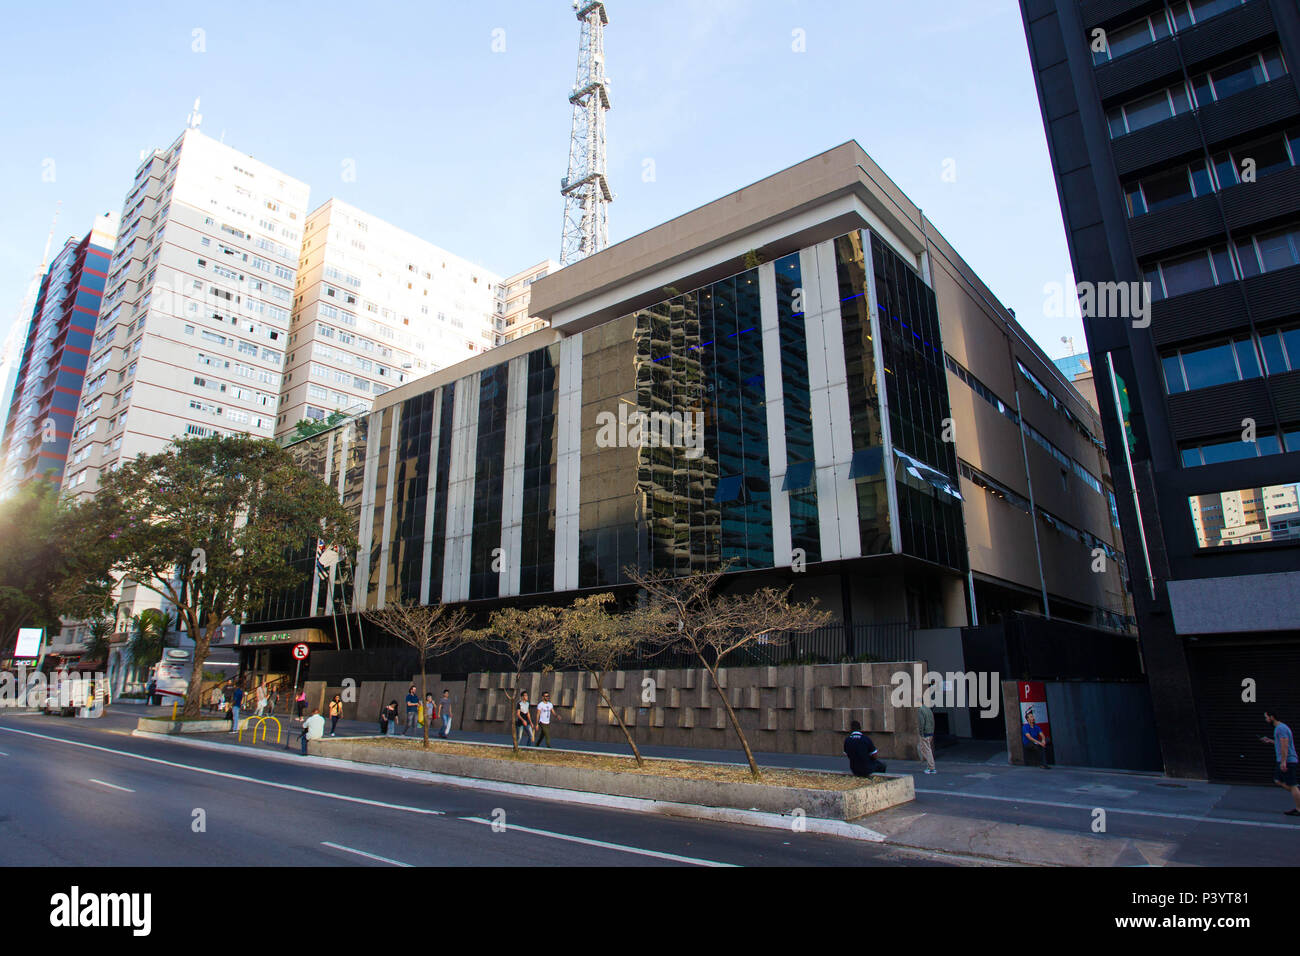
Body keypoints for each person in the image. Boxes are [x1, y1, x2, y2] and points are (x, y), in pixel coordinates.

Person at [1261, 707, 1300, 816]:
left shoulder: (1280, 728)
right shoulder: (1280, 728)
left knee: (1292, 784)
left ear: (1272, 717)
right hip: (1285, 760)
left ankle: (1299, 808)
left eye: (1266, 717)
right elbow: (1280, 743)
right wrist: (1270, 741)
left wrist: (1283, 762)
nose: (1266, 719)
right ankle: (1297, 794)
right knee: (1278, 780)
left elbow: (1285, 745)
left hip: (1288, 760)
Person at [917, 703, 936, 774]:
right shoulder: (928, 709)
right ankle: (928, 764)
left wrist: (921, 733)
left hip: (925, 732)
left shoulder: (920, 710)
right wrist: (932, 731)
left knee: (927, 749)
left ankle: (931, 767)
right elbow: (932, 720)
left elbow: (921, 722)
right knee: (921, 747)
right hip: (930, 732)